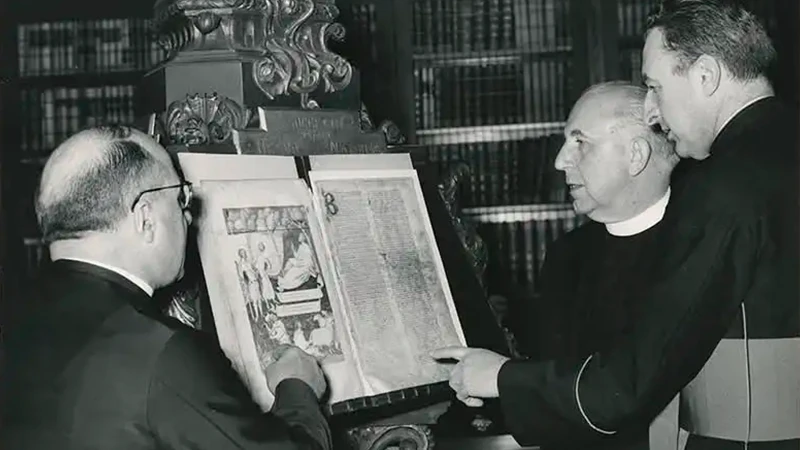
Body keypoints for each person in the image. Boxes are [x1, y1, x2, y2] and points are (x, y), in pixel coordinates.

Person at [432, 1, 799, 449]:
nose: (651, 110)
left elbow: (627, 385)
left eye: (656, 87)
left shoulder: (722, 183)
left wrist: (502, 376)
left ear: (706, 76)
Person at [2, 125, 332, 450]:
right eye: (180, 198)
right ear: (145, 219)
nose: (187, 216)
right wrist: (298, 388)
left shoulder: (12, 317)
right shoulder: (165, 352)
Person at [504, 81, 679, 450]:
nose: (559, 161)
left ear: (636, 155)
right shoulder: (566, 255)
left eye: (580, 142)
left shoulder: (696, 245)